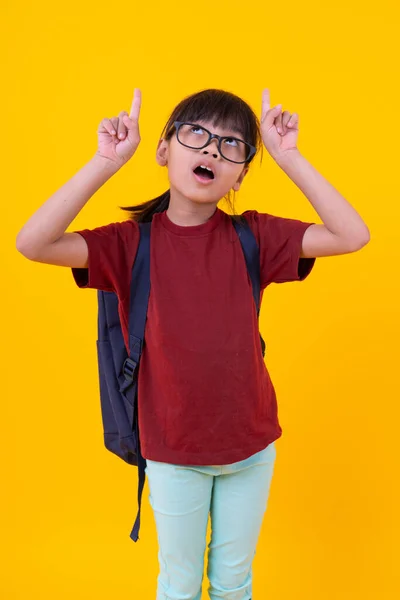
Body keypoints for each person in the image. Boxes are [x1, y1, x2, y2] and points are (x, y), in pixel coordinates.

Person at [16, 87, 370, 600]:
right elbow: (33, 243)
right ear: (164, 151)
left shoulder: (255, 236)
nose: (211, 150)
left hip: (252, 447)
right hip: (172, 451)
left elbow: (352, 235)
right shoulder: (129, 244)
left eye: (232, 145)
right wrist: (103, 162)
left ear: (242, 172)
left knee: (233, 585)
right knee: (179, 586)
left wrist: (288, 156)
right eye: (197, 134)